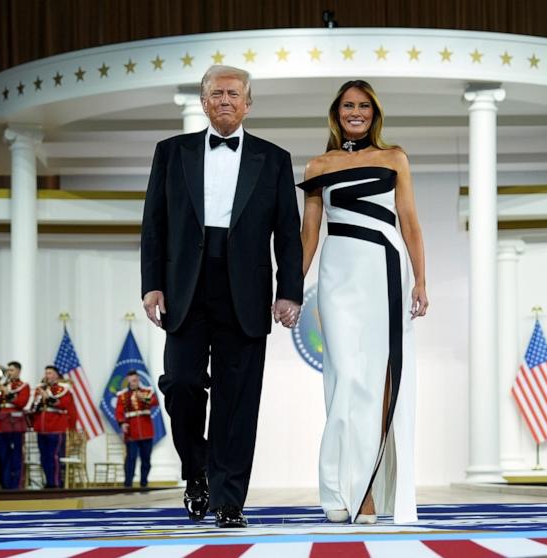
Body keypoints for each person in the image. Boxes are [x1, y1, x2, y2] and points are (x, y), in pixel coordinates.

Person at [142, 64, 303, 528]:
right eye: (217, 93)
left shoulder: (273, 159)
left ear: (248, 103)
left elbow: (287, 235)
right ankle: (197, 473)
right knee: (182, 384)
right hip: (184, 288)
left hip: (247, 291)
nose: (226, 100)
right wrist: (151, 283)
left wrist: (289, 291)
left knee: (238, 400)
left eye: (235, 93)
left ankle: (229, 500)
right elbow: (154, 225)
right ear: (204, 102)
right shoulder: (171, 153)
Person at [298, 80, 428, 524]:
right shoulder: (318, 165)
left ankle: (366, 489)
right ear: (336, 113)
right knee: (345, 379)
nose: (356, 112)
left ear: (375, 114)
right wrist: (291, 287)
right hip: (338, 278)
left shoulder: (395, 158)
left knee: (380, 383)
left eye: (364, 106)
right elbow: (309, 234)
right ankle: (338, 486)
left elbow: (409, 220)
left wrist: (421, 280)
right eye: (348, 106)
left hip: (385, 271)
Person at [31, 366, 76, 489]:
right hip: (42, 427)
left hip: (55, 427)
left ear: (56, 375)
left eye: (50, 373)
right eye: (46, 373)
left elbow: (64, 404)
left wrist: (48, 398)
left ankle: (55, 483)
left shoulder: (63, 389)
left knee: (54, 456)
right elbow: (35, 407)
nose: (47, 375)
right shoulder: (41, 389)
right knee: (44, 456)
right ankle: (49, 481)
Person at [115, 370, 159, 488]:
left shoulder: (147, 392)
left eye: (134, 380)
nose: (132, 383)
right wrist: (122, 423)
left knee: (146, 459)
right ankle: (128, 484)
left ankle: (144, 483)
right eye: (130, 381)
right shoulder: (123, 395)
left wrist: (143, 398)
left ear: (138, 379)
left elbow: (155, 402)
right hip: (131, 432)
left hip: (146, 431)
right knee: (131, 458)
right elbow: (119, 411)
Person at [0, 361, 30, 489]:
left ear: (18, 371)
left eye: (12, 370)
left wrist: (8, 393)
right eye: (8, 370)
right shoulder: (4, 385)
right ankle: (5, 485)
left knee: (16, 456)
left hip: (15, 425)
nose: (9, 373)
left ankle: (15, 486)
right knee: (3, 456)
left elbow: (22, 403)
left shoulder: (23, 386)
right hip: (2, 425)